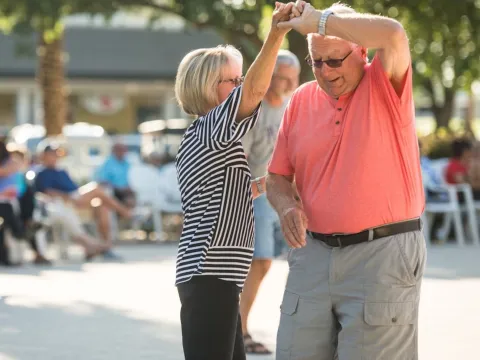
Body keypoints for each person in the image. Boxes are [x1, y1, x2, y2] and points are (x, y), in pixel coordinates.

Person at [268, 2, 425, 359]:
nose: (325, 72)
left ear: (361, 52)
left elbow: (395, 34)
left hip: (382, 254)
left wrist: (317, 21)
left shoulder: (384, 82)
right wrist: (287, 206)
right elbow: (277, 176)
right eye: (316, 62)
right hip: (312, 254)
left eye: (335, 60)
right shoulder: (301, 100)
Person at [174, 3, 295, 360]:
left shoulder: (212, 135)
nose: (243, 86)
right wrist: (275, 34)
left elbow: (232, 193)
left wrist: (272, 181)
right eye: (235, 80)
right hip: (210, 274)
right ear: (210, 86)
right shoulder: (214, 127)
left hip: (217, 276)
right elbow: (256, 91)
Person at [239, 49, 300, 354]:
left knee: (299, 262)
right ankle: (239, 330)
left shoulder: (294, 108)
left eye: (293, 77)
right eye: (282, 76)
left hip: (291, 195)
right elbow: (238, 160)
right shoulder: (254, 111)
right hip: (258, 195)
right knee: (259, 262)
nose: (288, 83)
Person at [34, 142, 134, 260]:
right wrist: (67, 197)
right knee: (96, 189)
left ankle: (104, 248)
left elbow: (73, 187)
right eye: (52, 154)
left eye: (56, 154)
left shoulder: (61, 171)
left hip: (78, 198)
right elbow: (47, 192)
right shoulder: (42, 173)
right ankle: (125, 212)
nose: (55, 157)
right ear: (44, 156)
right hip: (67, 201)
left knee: (102, 207)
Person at [95, 143, 135, 208]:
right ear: (114, 151)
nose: (122, 152)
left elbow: (133, 178)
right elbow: (102, 181)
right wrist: (119, 188)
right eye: (120, 150)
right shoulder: (108, 163)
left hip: (128, 190)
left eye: (124, 150)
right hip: (115, 191)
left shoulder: (127, 163)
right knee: (128, 201)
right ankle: (127, 214)